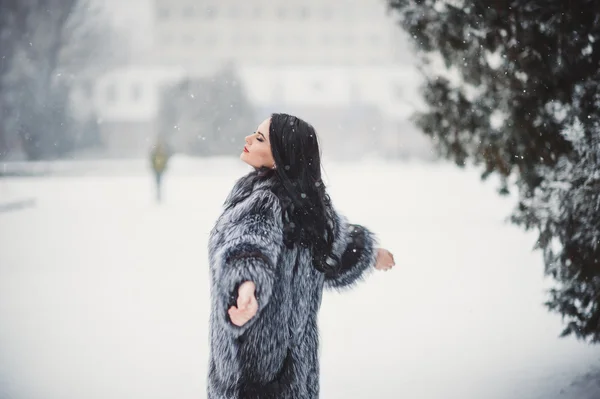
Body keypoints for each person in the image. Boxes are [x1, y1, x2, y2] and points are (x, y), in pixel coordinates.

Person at [207, 113, 395, 399]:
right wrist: (247, 284)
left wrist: (369, 254)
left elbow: (330, 248)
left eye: (259, 138)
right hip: (274, 364)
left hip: (260, 370)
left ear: (282, 156)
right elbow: (247, 248)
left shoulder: (274, 202)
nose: (248, 139)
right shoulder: (280, 199)